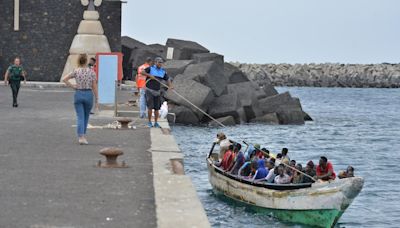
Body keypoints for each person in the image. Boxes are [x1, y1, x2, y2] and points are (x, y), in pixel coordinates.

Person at [63, 54, 99, 145]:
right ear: (87, 61)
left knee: (80, 116)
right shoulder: (92, 72)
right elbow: (94, 87)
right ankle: (83, 136)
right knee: (86, 116)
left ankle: (81, 136)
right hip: (88, 94)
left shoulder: (76, 71)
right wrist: (97, 99)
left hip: (78, 93)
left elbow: (64, 79)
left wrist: (73, 86)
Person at [141, 57, 173, 128]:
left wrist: (170, 86)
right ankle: (149, 122)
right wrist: (150, 76)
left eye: (161, 62)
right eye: (158, 62)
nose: (160, 64)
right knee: (150, 107)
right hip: (149, 90)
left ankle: (156, 122)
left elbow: (168, 79)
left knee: (157, 108)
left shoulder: (163, 71)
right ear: (155, 63)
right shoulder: (151, 68)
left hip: (157, 91)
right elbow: (142, 72)